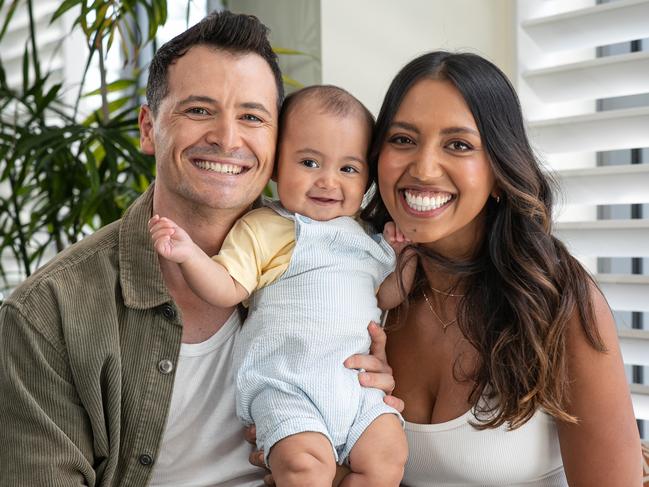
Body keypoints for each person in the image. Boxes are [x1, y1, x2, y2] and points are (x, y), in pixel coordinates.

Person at [0, 11, 399, 486]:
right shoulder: (47, 315)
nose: (227, 139)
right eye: (198, 110)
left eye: (252, 117)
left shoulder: (337, 260)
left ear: (276, 142)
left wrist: (357, 390)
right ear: (148, 129)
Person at [361, 51, 643, 486]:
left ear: (499, 167)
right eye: (402, 139)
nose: (423, 168)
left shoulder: (555, 298)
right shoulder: (358, 283)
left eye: (458, 145)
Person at [149, 84, 409, 487]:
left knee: (389, 456)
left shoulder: (366, 239)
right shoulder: (269, 228)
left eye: (348, 169)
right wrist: (189, 255)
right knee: (304, 469)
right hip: (288, 387)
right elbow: (227, 286)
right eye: (309, 162)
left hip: (356, 389)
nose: (328, 181)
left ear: (367, 179)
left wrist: (409, 261)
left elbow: (385, 294)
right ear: (275, 166)